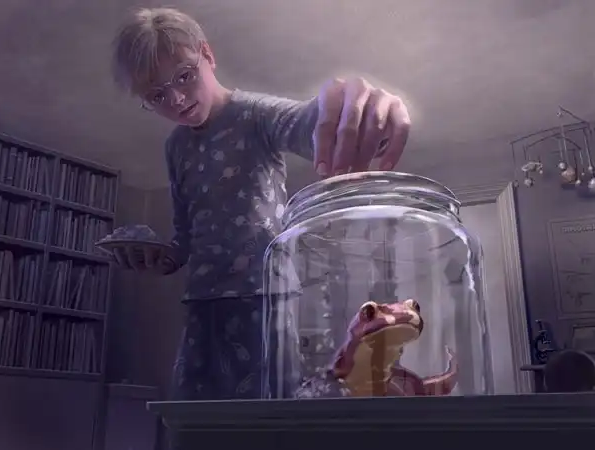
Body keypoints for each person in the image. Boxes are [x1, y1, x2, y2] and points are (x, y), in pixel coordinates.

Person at [110, 6, 411, 406]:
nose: (176, 99)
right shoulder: (175, 147)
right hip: (201, 304)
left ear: (207, 54)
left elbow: (307, 122)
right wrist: (156, 258)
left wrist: (358, 113)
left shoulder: (255, 114)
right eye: (157, 95)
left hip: (264, 296)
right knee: (195, 420)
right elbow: (184, 238)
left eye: (184, 76)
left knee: (268, 415)